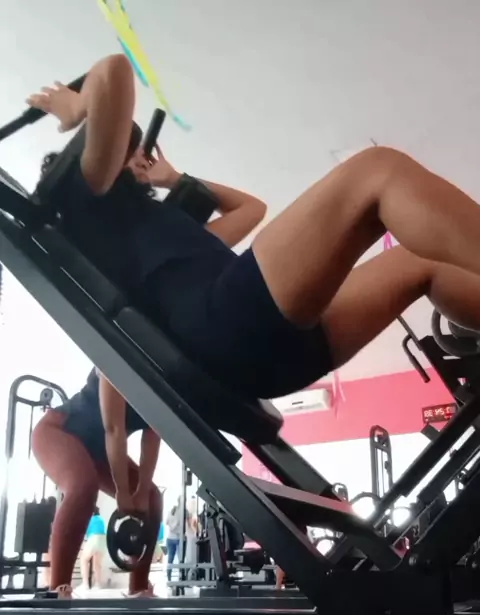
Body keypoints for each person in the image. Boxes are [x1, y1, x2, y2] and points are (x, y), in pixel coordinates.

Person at [27, 54, 480, 410]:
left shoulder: (156, 241)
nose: (136, 156)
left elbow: (250, 211)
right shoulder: (85, 205)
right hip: (227, 326)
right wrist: (78, 107)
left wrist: (176, 180)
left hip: (259, 353)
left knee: (421, 262)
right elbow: (114, 72)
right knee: (376, 172)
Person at [31, 367, 162, 598]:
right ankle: (59, 590)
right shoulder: (116, 358)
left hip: (100, 452)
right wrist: (123, 491)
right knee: (83, 485)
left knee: (152, 498)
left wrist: (141, 492)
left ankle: (139, 589)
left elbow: (152, 438)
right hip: (60, 432)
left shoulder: (162, 385)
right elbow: (114, 429)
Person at [78, 506, 106, 593]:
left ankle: (85, 584)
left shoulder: (89, 519)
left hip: (93, 539)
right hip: (103, 540)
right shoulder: (101, 520)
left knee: (83, 560)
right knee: (97, 564)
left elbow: (84, 532)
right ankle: (98, 584)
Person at [165, 499, 181, 581]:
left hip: (169, 538)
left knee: (170, 559)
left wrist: (172, 526)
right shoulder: (181, 513)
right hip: (178, 538)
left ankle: (169, 577)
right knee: (181, 559)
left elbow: (166, 522)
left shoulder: (170, 512)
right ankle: (181, 577)